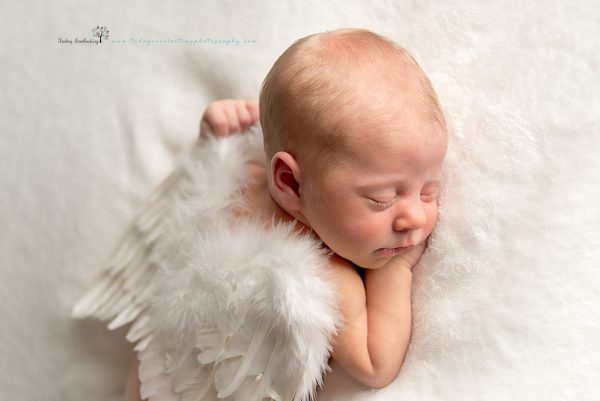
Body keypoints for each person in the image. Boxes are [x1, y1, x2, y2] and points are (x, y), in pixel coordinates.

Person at [126, 28, 447, 400]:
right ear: (290, 184)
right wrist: (397, 269)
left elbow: (192, 197)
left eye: (429, 191)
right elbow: (375, 365)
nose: (413, 218)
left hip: (155, 369)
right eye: (381, 199)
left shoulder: (246, 180)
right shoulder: (324, 276)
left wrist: (214, 140)